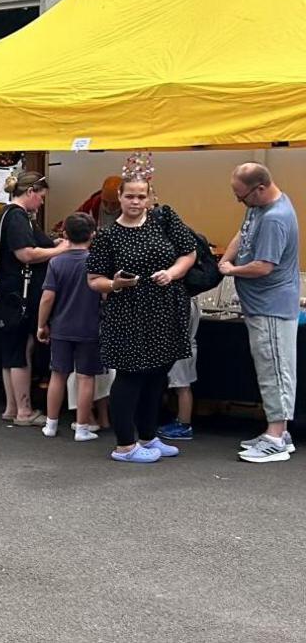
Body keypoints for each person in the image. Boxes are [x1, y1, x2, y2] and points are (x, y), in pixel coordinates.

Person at [86, 176, 197, 464]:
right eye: (130, 197)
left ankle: (148, 436)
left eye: (141, 196)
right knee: (130, 376)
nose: (136, 202)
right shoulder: (108, 236)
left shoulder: (165, 219)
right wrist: (115, 285)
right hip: (127, 312)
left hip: (164, 309)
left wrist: (172, 273)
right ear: (119, 198)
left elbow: (190, 253)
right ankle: (124, 445)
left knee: (157, 374)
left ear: (149, 197)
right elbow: (93, 280)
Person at [222, 163, 301, 464]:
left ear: (260, 188)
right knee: (267, 368)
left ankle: (276, 437)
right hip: (259, 306)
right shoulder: (258, 208)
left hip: (272, 308)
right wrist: (225, 260)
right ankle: (277, 432)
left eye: (242, 196)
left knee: (276, 370)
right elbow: (242, 235)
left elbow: (263, 266)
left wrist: (233, 270)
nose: (240, 202)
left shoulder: (275, 218)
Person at [0, 172, 70, 426]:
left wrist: (51, 243)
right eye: (42, 197)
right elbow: (26, 254)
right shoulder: (17, 217)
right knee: (22, 351)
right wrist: (60, 249)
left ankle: (11, 407)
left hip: (8, 294)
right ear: (31, 192)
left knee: (10, 353)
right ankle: (24, 410)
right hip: (20, 294)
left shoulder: (6, 215)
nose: (42, 203)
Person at [36, 213, 103, 441]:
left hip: (61, 327)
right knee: (85, 378)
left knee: (58, 375)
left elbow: (47, 297)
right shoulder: (96, 262)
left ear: (64, 234)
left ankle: (51, 424)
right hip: (90, 327)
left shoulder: (56, 262)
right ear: (93, 235)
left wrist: (41, 324)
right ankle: (82, 427)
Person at [158, 299, 202, 442]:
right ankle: (182, 421)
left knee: (182, 387)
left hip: (179, 349)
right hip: (186, 347)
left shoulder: (181, 302)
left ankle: (184, 424)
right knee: (183, 386)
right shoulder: (192, 301)